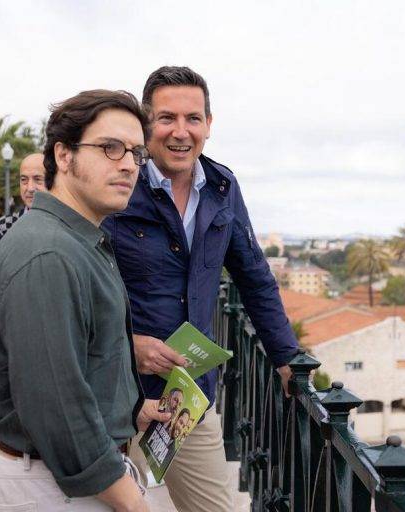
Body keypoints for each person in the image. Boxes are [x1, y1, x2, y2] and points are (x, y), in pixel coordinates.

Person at [103, 66, 299, 511]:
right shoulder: (116, 185)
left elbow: (253, 275)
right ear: (144, 123)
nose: (180, 132)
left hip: (185, 394)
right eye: (166, 117)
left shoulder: (223, 189)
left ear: (209, 124)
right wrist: (126, 344)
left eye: (193, 118)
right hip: (112, 390)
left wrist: (286, 357)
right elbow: (77, 288)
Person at [0, 89, 171, 511]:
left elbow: (80, 362)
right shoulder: (48, 253)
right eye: (110, 148)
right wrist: (135, 502)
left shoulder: (75, 241)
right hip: (57, 487)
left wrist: (129, 411)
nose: (128, 164)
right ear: (64, 156)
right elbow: (56, 408)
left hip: (70, 481)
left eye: (137, 154)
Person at [0, 153, 47, 277]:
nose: (30, 188)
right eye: (24, 180)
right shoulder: (4, 227)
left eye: (38, 179)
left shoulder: (65, 225)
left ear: (52, 181)